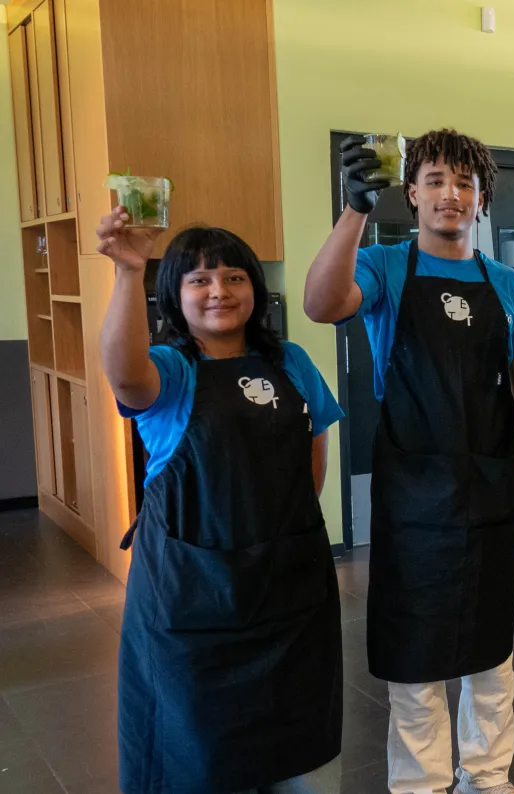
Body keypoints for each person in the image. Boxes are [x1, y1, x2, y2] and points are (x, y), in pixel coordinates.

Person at [303, 129, 514, 794]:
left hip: (493, 485)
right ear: (411, 193)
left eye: (465, 183)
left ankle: (488, 777)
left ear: (482, 200)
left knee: (491, 648)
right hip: (413, 491)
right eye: (436, 180)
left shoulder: (509, 286)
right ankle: (420, 784)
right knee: (416, 652)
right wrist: (355, 209)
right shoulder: (385, 267)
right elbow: (321, 305)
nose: (451, 194)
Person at [100, 217, 345, 794]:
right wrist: (128, 272)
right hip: (194, 597)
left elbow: (312, 464)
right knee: (197, 751)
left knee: (291, 741)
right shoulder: (173, 370)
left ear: (255, 288)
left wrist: (278, 541)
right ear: (174, 296)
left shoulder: (292, 362)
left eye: (234, 276)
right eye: (200, 280)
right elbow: (125, 376)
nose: (219, 291)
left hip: (287, 588)